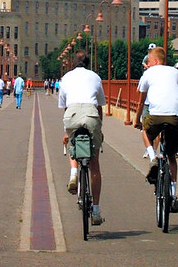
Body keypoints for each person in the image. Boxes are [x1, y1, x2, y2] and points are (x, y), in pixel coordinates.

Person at [134, 46, 178, 214]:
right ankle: (173, 194)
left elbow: (141, 102)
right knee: (171, 155)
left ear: (155, 61)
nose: (147, 65)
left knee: (145, 131)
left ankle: (152, 158)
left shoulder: (148, 74)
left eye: (148, 62)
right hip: (175, 117)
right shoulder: (176, 73)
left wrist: (136, 120)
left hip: (156, 115)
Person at [59, 50, 106, 226]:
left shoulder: (66, 78)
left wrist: (67, 131)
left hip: (72, 114)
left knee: (73, 143)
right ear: (88, 63)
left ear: (73, 63)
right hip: (91, 114)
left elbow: (64, 106)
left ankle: (73, 173)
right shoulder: (95, 77)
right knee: (94, 164)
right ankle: (95, 210)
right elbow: (100, 106)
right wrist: (99, 128)